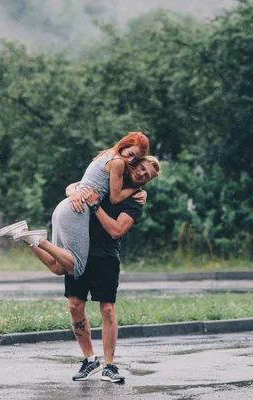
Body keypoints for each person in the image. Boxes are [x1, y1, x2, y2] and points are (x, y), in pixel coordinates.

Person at [0, 132, 150, 278]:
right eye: (130, 154)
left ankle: (25, 234)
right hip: (77, 210)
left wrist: (71, 189)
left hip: (65, 207)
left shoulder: (106, 156)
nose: (130, 160)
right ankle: (40, 240)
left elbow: (82, 183)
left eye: (135, 159)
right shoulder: (118, 162)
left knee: (58, 267)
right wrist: (137, 188)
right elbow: (115, 198)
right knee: (76, 267)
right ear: (124, 145)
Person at [65, 156, 161, 383]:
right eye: (141, 168)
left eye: (147, 176)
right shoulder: (108, 176)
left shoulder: (135, 200)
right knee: (74, 306)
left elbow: (116, 230)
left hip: (106, 255)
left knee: (107, 309)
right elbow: (73, 186)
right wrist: (73, 193)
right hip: (79, 249)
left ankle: (109, 365)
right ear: (135, 164)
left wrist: (96, 206)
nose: (142, 174)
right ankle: (90, 360)